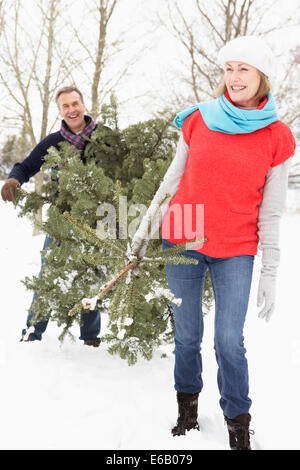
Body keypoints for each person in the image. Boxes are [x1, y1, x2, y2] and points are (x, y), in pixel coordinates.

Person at [130, 36, 296, 450]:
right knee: (186, 335)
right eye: (229, 69)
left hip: (236, 246)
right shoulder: (199, 120)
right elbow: (171, 181)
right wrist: (143, 232)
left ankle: (238, 424)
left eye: (244, 69)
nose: (234, 77)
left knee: (228, 341)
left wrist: (271, 271)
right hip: (183, 237)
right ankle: (187, 410)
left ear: (262, 77)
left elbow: (271, 211)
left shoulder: (277, 136)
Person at [1, 86, 103, 347]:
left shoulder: (104, 139)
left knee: (90, 275)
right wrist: (14, 180)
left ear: (83, 105)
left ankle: (90, 337)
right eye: (66, 106)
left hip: (96, 220)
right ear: (60, 111)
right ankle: (33, 331)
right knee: (49, 274)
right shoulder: (53, 143)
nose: (72, 109)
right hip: (62, 220)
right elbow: (26, 166)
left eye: (75, 103)